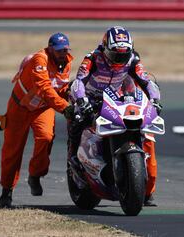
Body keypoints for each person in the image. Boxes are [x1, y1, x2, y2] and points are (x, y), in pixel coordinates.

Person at [68, 26, 163, 206]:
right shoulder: (92, 58)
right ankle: (73, 159)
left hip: (116, 98)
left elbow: (146, 81)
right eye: (115, 55)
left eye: (123, 55)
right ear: (105, 48)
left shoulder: (133, 59)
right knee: (78, 122)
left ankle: (143, 187)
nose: (119, 59)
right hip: (92, 98)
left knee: (143, 129)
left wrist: (155, 100)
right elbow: (79, 81)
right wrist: (81, 101)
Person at [0, 32, 75, 208]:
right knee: (12, 150)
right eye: (58, 50)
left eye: (65, 50)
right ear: (50, 49)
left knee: (46, 137)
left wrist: (71, 94)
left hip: (42, 108)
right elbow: (44, 87)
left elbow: (59, 88)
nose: (62, 53)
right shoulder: (40, 60)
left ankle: (35, 174)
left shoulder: (68, 62)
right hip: (19, 108)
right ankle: (6, 191)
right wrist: (64, 108)